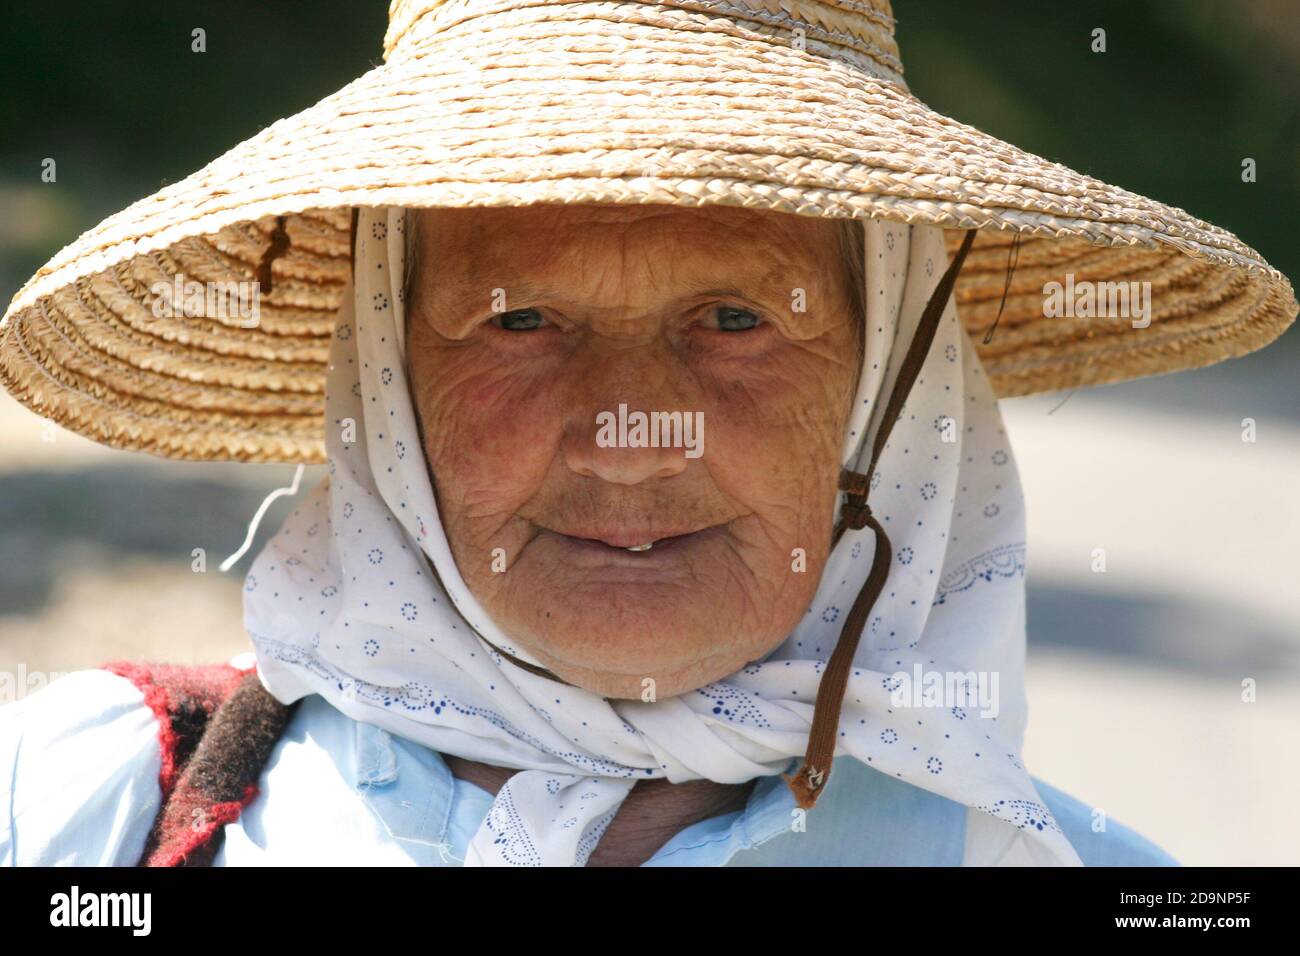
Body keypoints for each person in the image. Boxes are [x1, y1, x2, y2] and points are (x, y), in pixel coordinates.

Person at [0, 0, 1293, 867]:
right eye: (518, 322)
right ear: (387, 383)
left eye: (733, 317)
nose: (627, 436)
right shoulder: (97, 816)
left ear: (892, 391)